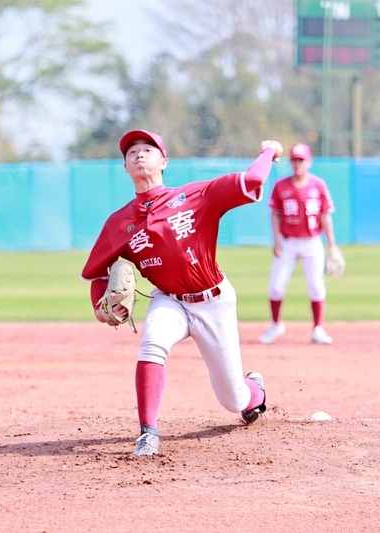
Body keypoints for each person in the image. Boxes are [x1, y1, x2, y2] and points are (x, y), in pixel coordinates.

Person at [81, 129, 283, 456]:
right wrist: (100, 304)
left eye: (148, 148)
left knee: (232, 399)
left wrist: (268, 151)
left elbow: (252, 179)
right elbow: (96, 275)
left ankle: (254, 391)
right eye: (131, 152)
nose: (139, 154)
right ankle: (148, 433)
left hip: (214, 301)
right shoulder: (119, 223)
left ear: (164, 161)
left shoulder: (195, 196)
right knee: (152, 343)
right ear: (125, 167)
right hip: (169, 300)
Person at [259, 142, 339, 345]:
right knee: (276, 287)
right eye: (294, 160)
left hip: (312, 242)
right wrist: (276, 240)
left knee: (316, 287)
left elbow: (325, 216)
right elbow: (275, 215)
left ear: (309, 162)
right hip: (287, 242)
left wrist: (332, 245)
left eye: (301, 160)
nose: (297, 164)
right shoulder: (281, 186)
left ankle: (318, 329)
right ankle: (276, 325)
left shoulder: (318, 185)